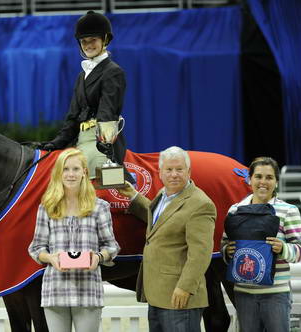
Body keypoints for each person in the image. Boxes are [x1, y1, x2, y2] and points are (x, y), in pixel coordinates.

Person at [118, 146, 216, 331]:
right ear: (160, 173)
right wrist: (133, 196)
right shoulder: (163, 194)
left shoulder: (200, 204)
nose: (174, 174)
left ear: (189, 171)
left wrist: (185, 287)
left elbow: (200, 254)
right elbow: (162, 221)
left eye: (179, 169)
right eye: (169, 170)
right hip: (158, 294)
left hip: (179, 296)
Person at [28, 148, 120, 332]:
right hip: (55, 290)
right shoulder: (47, 207)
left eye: (76, 169)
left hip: (88, 289)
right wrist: (51, 258)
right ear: (58, 173)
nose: (70, 174)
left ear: (84, 172)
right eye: (66, 169)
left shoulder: (99, 207)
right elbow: (36, 247)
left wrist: (99, 258)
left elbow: (111, 246)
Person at [40, 11, 132, 182]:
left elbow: (108, 112)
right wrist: (56, 142)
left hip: (100, 142)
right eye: (84, 42)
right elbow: (73, 116)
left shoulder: (113, 72)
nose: (88, 45)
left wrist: (103, 144)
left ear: (105, 40)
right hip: (79, 140)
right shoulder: (81, 76)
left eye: (93, 40)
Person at [221, 157, 301, 332]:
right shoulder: (234, 210)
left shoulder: (289, 210)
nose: (263, 182)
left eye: (269, 177)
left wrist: (283, 248)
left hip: (276, 294)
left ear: (276, 182)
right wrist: (227, 251)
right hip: (243, 293)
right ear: (249, 179)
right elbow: (225, 244)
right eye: (258, 176)